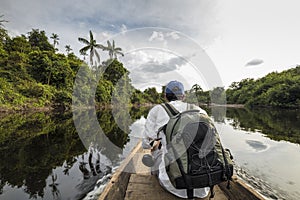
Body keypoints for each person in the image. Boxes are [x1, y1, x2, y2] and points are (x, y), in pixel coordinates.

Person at [142, 80, 210, 199]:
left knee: (156, 151)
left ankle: (157, 172)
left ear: (165, 96)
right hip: (204, 185)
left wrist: (157, 144)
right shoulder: (200, 111)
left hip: (173, 186)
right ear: (183, 96)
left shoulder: (157, 110)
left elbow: (146, 144)